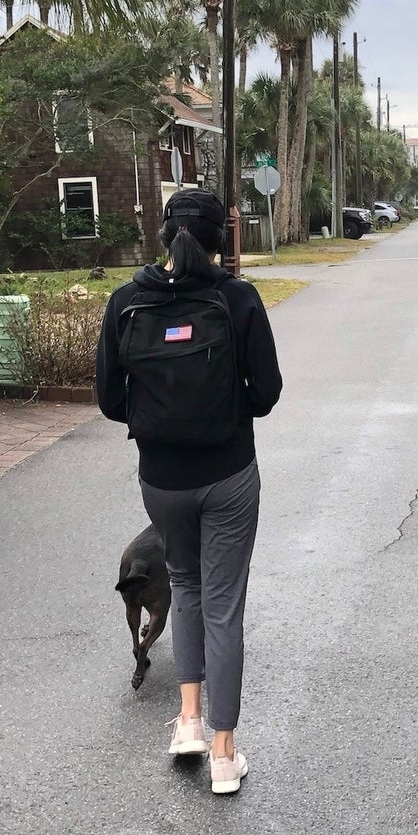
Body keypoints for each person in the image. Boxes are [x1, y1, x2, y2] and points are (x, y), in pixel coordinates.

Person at [96, 189, 283, 794]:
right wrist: (225, 409)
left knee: (185, 585)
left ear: (165, 233)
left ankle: (187, 723)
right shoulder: (237, 298)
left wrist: (157, 422)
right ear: (219, 238)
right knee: (224, 604)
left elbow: (108, 399)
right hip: (228, 472)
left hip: (161, 479)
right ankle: (225, 755)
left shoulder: (127, 302)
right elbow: (268, 391)